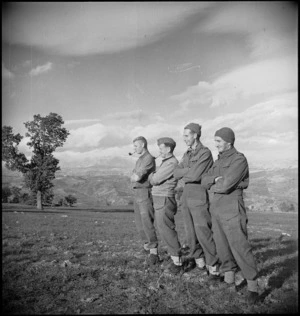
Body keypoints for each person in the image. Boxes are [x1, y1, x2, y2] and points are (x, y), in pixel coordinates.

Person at [201, 127, 259, 304]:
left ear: (229, 141)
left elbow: (226, 185)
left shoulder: (239, 159)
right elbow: (204, 180)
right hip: (217, 208)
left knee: (240, 246)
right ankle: (229, 280)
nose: (215, 144)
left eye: (218, 141)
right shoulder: (218, 161)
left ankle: (253, 288)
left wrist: (215, 182)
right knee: (222, 246)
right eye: (215, 140)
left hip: (232, 208)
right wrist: (213, 181)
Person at [173, 123, 220, 279]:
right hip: (186, 195)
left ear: (195, 135)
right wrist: (188, 171)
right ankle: (200, 264)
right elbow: (176, 172)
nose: (184, 138)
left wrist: (186, 172)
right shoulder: (187, 153)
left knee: (203, 232)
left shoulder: (205, 153)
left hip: (199, 195)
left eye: (186, 135)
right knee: (190, 233)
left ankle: (213, 266)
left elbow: (194, 176)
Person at [148, 137, 182, 274]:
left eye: (161, 148)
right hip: (160, 198)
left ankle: (178, 262)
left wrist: (152, 175)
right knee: (163, 229)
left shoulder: (171, 163)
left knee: (167, 229)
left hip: (164, 198)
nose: (159, 151)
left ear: (168, 149)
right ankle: (176, 259)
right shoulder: (166, 162)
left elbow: (155, 180)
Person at [130, 136, 159, 264]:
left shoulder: (148, 158)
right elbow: (132, 175)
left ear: (142, 145)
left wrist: (134, 176)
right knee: (139, 223)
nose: (134, 148)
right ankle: (147, 247)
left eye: (136, 146)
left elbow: (136, 177)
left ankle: (154, 253)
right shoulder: (140, 159)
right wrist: (134, 176)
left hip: (144, 192)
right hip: (137, 192)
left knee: (147, 221)